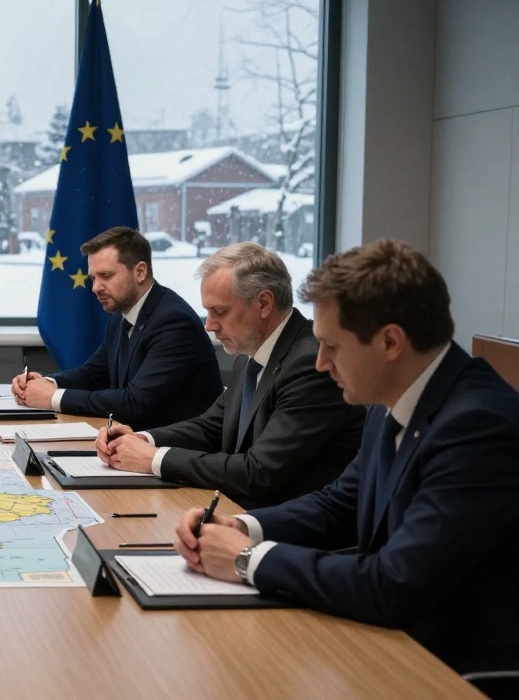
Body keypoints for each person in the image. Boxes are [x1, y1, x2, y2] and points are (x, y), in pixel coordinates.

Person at [174, 239, 519, 673]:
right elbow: (340, 502)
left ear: (390, 342)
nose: (320, 363)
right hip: (389, 637)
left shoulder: (477, 427)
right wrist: (241, 526)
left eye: (332, 347)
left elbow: (396, 584)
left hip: (453, 667)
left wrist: (247, 559)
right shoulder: (389, 398)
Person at [97, 243, 364, 508]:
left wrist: (154, 459)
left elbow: (259, 472)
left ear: (264, 303)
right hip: (240, 510)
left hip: (288, 529)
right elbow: (210, 427)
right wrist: (140, 439)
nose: (209, 325)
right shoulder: (251, 355)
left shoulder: (310, 365)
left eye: (220, 311)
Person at [12, 226, 220, 430]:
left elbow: (135, 402)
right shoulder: (122, 316)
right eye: (93, 278)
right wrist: (45, 383)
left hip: (176, 452)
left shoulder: (173, 321)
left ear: (140, 272)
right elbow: (92, 374)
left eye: (106, 276)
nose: (95, 288)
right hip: (135, 444)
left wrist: (53, 398)